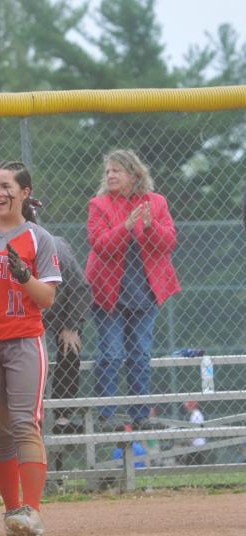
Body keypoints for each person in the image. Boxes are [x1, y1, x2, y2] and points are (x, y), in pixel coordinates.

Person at [0, 161, 62, 536]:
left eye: (6, 186)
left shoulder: (38, 238)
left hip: (22, 341)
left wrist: (25, 277)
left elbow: (47, 297)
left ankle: (31, 509)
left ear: (24, 193)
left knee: (24, 423)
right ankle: (11, 509)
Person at [86, 149, 180, 430]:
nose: (111, 175)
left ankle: (141, 416)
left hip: (144, 293)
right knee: (111, 353)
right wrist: (126, 227)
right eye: (108, 171)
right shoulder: (99, 205)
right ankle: (108, 416)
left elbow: (169, 244)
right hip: (108, 293)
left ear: (134, 174)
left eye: (117, 170)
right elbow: (100, 245)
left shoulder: (157, 203)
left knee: (140, 353)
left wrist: (150, 226)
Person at [36, 198, 91, 435]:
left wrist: (71, 326)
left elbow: (80, 289)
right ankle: (29, 414)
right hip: (24, 314)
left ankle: (63, 418)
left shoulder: (58, 251)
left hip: (59, 310)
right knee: (30, 359)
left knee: (71, 347)